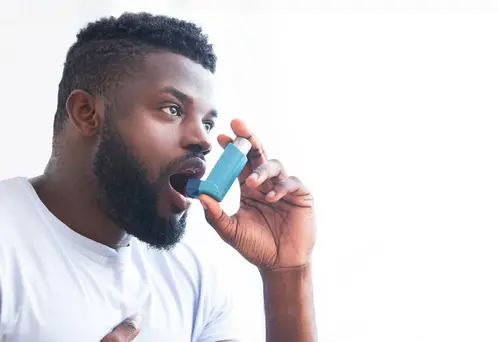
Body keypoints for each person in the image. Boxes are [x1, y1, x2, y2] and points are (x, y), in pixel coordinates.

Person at [0, 12, 316, 342]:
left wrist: (287, 275)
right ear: (87, 114)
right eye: (172, 109)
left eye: (207, 123)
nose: (204, 141)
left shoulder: (193, 278)